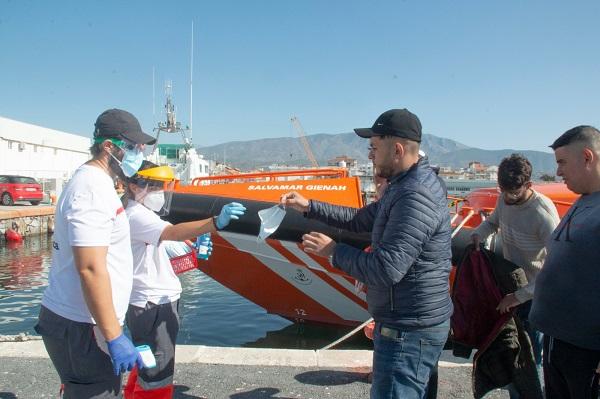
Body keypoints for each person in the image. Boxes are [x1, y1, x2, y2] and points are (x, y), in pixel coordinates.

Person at [281, 108, 452, 399]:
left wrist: (333, 252)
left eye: (373, 147)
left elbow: (386, 269)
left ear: (397, 150)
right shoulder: (404, 187)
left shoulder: (414, 195)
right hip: (414, 324)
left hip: (407, 331)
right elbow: (360, 220)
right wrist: (310, 206)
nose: (369, 155)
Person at [34, 109, 156, 398]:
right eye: (133, 146)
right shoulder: (91, 189)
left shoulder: (97, 184)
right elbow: (89, 267)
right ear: (109, 147)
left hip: (85, 322)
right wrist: (113, 336)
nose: (139, 152)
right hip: (82, 324)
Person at [121, 161, 246, 398]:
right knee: (158, 370)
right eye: (154, 185)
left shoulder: (144, 215)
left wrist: (193, 248)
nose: (160, 191)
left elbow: (169, 244)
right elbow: (172, 233)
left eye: (162, 185)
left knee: (147, 363)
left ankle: (131, 395)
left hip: (153, 300)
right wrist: (214, 223)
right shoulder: (135, 215)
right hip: (151, 303)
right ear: (133, 185)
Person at [470, 153, 560, 393]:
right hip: (510, 288)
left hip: (534, 296)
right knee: (512, 356)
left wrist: (519, 296)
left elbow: (555, 266)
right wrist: (479, 233)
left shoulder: (543, 214)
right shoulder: (504, 199)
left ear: (529, 185)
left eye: (514, 193)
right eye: (504, 191)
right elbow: (493, 223)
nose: (508, 198)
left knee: (531, 361)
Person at [530, 125, 600, 399]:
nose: (558, 171)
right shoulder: (584, 201)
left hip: (587, 354)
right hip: (559, 342)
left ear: (587, 156)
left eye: (562, 162)